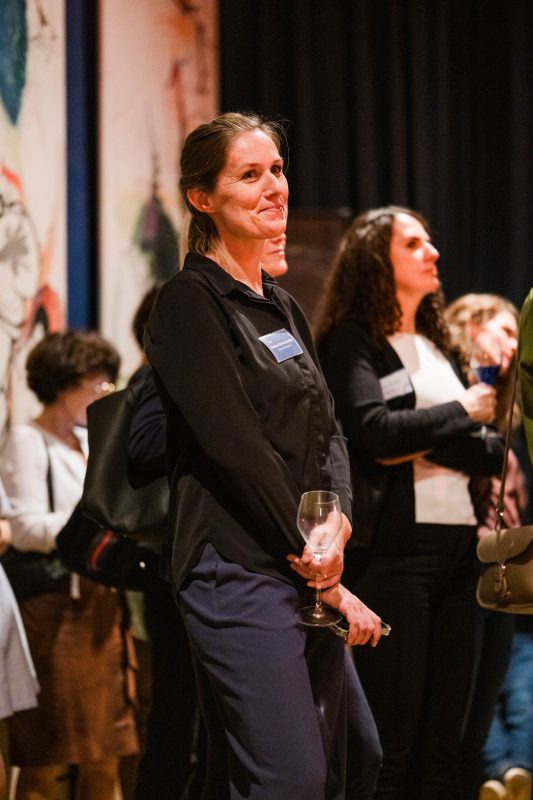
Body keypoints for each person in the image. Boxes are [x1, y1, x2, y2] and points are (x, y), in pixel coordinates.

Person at [144, 111, 384, 800]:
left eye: (276, 169)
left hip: (301, 560)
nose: (274, 185)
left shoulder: (280, 306)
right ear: (202, 198)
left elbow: (328, 430)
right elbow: (237, 451)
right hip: (233, 564)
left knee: (354, 757)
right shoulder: (189, 302)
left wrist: (337, 520)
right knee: (292, 779)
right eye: (249, 174)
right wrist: (321, 570)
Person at [315, 206, 505, 800]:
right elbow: (370, 433)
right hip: (396, 556)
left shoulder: (437, 344)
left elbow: (490, 451)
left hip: (461, 552)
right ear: (376, 258)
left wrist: (420, 436)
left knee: (446, 742)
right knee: (391, 741)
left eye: (430, 242)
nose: (433, 253)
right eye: (414, 244)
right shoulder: (354, 340)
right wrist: (459, 414)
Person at [0, 330, 139, 800]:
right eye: (96, 382)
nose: (103, 392)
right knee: (50, 756)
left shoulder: (86, 438)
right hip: (57, 612)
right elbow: (22, 527)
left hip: (101, 606)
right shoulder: (27, 439)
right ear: (63, 383)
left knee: (106, 753)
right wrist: (93, 526)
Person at [445, 294, 530, 800]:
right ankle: (498, 772)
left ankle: (510, 771)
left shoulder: (503, 413)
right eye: (505, 330)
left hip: (504, 571)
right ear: (472, 327)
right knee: (465, 700)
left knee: (510, 687)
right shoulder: (453, 395)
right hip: (464, 564)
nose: (515, 345)